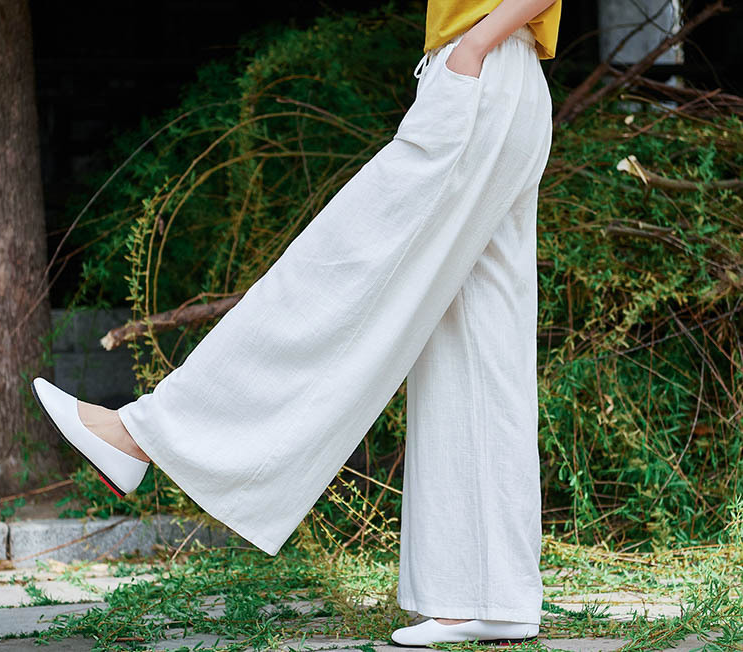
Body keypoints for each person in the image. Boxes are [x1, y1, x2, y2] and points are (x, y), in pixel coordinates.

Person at [31, 0, 562, 646]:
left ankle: (141, 435)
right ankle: (490, 595)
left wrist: (473, 46)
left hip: (484, 71)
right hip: (507, 80)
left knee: (337, 272)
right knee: (480, 342)